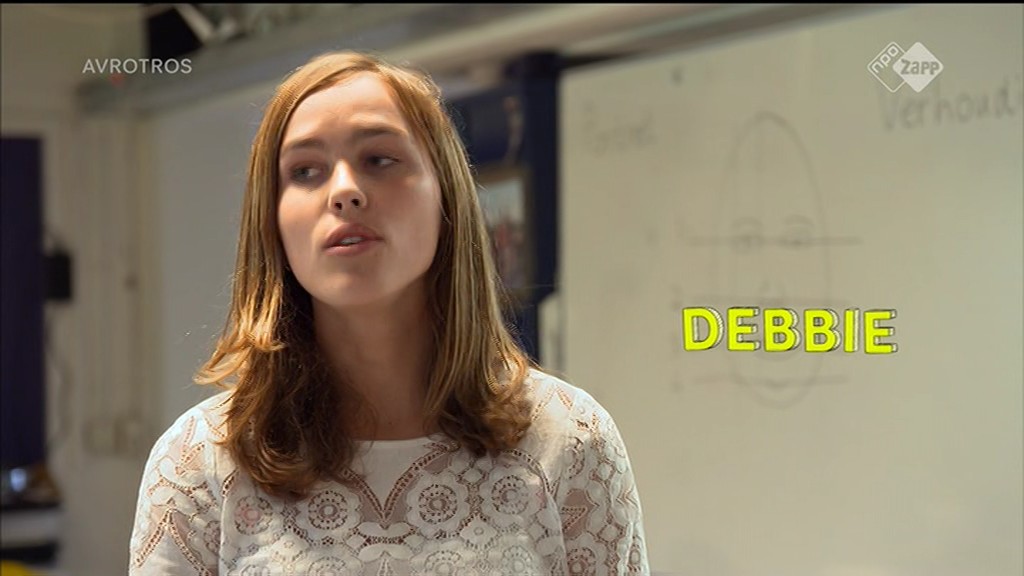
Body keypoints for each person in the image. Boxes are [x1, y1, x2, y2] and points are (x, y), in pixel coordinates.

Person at [129, 50, 649, 575]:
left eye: (379, 159)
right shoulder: (200, 462)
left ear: (446, 197)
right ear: (272, 220)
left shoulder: (569, 440)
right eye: (305, 171)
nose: (344, 191)